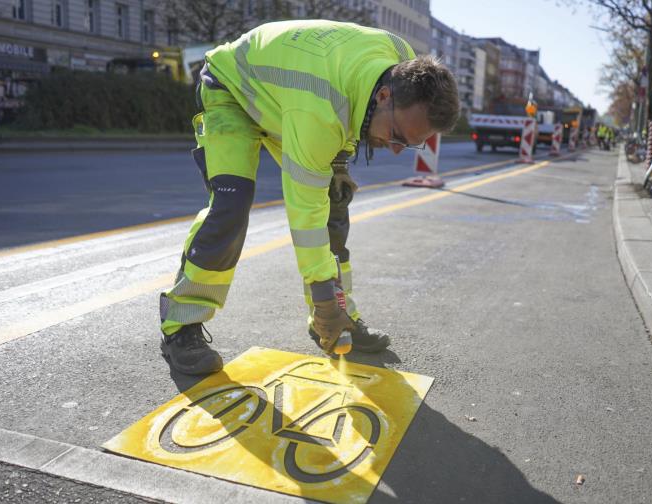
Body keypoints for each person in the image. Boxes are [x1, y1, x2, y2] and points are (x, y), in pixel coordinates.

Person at [157, 20, 460, 375]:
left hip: (289, 97)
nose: (395, 150)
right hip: (234, 91)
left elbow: (353, 102)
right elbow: (305, 213)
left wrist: (340, 160)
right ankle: (181, 326)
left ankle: (337, 317)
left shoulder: (400, 59)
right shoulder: (319, 109)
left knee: (335, 203)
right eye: (396, 135)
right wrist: (322, 297)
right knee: (231, 204)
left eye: (409, 143)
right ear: (384, 96)